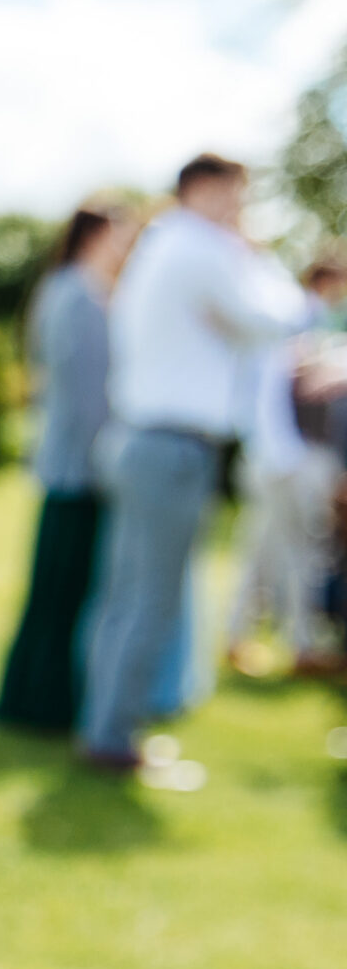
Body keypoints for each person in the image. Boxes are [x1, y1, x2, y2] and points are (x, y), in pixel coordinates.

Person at [77, 155, 311, 772]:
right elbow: (278, 319)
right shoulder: (204, 250)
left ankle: (102, 727)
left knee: (124, 595)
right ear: (207, 192)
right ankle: (113, 742)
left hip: (137, 439)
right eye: (238, 197)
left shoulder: (158, 249)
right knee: (152, 598)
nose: (243, 211)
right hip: (173, 447)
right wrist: (256, 257)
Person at [0, 203, 137, 732]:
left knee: (56, 591)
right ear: (98, 236)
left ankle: (35, 700)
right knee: (62, 592)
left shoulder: (68, 290)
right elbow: (87, 396)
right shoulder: (78, 295)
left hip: (73, 466)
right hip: (81, 470)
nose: (129, 249)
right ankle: (43, 705)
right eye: (123, 237)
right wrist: (111, 458)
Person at [224, 257, 347, 676]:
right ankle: (303, 646)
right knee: (302, 554)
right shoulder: (299, 322)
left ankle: (235, 636)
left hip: (266, 457)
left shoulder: (287, 326)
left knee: (261, 550)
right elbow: (296, 387)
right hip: (286, 458)